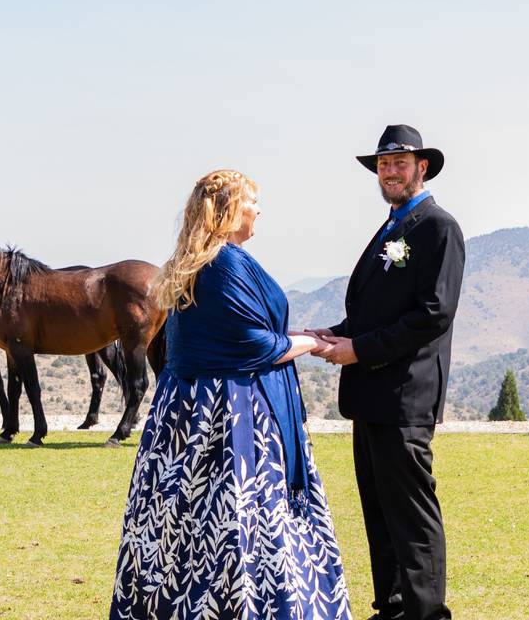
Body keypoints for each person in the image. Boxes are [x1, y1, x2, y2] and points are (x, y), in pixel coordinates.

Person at [109, 169, 351, 620]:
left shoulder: (200, 260)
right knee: (240, 517)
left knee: (188, 520)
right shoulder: (224, 264)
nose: (259, 211)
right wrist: (316, 344)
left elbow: (245, 332)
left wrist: (299, 334)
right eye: (252, 202)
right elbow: (255, 346)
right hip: (230, 415)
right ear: (229, 210)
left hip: (188, 412)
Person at [308, 125, 464, 620]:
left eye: (400, 163)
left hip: (404, 397)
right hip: (371, 396)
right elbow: (376, 311)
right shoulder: (393, 227)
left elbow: (433, 314)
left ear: (422, 167)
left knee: (412, 515)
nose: (390, 171)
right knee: (379, 511)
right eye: (383, 164)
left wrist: (361, 349)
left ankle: (425, 613)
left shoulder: (438, 228)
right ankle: (393, 608)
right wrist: (334, 335)